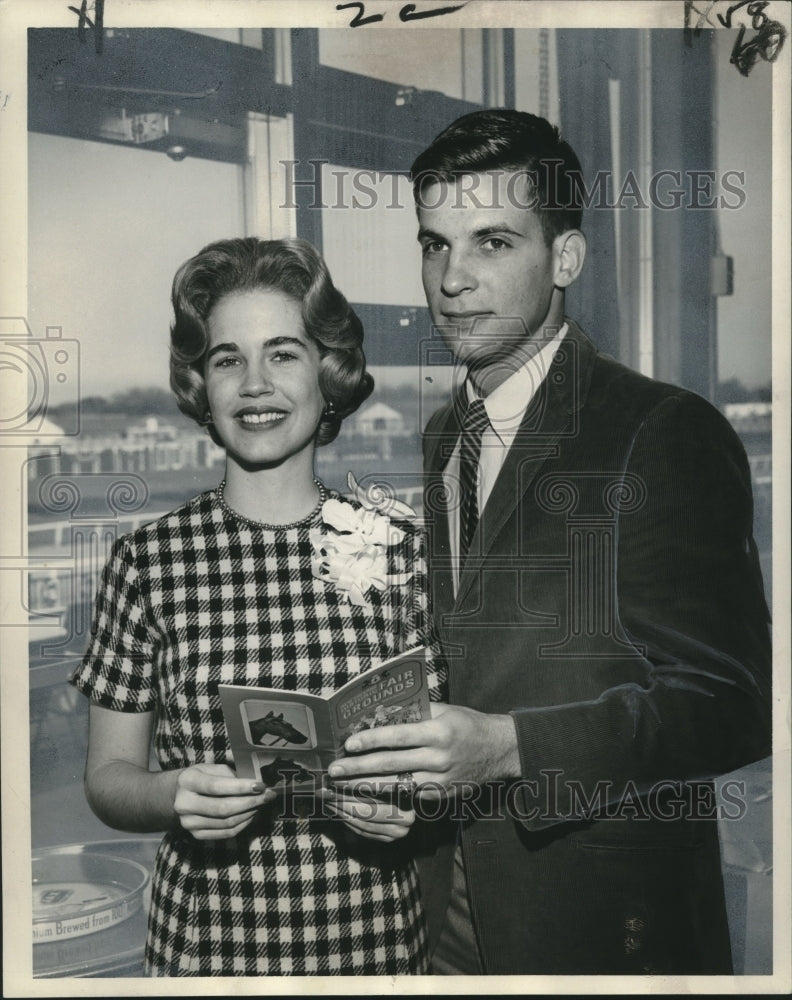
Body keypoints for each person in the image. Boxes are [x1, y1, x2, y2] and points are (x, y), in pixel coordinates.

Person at [325, 110, 772, 974]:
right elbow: (478, 664)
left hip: (598, 917)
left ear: (565, 258)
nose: (452, 279)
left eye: (492, 242)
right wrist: (398, 777)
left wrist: (511, 747)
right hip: (445, 904)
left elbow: (733, 702)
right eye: (434, 244)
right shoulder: (445, 435)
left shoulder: (660, 429)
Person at [71, 236, 445, 976]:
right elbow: (108, 781)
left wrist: (413, 801)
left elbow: (446, 763)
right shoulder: (147, 563)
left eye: (283, 353)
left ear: (327, 373)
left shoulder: (404, 547)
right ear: (201, 386)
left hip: (373, 946)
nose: (254, 384)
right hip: (206, 952)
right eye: (226, 359)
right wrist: (172, 795)